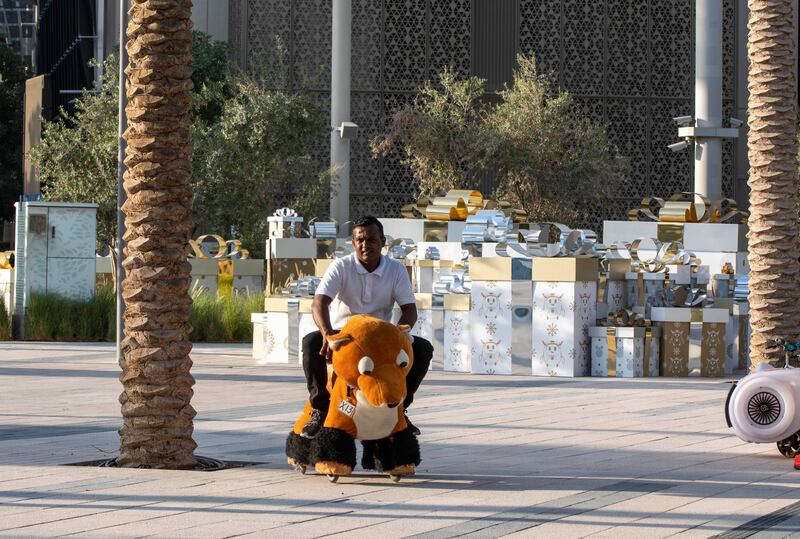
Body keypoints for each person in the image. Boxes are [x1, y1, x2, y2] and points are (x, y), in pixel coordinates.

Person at [299, 215, 433, 439]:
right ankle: (319, 409)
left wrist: (400, 332)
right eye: (359, 240)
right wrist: (327, 333)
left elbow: (410, 309)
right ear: (353, 243)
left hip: (380, 339)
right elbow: (319, 303)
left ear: (382, 242)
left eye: (371, 240)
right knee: (311, 343)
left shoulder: (396, 270)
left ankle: (401, 406)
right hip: (345, 337)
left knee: (422, 349)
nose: (365, 245)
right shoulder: (341, 266)